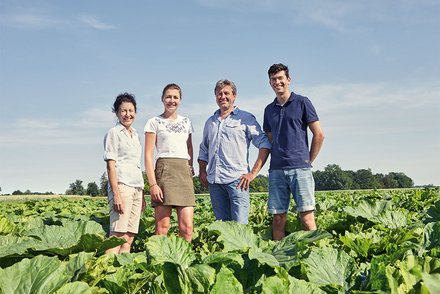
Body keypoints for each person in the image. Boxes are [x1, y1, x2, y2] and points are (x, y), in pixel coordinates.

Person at [263, 63, 325, 240]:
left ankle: (316, 257)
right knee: (278, 219)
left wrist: (308, 160)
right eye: (274, 79)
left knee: (306, 218)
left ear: (288, 80)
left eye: (280, 78)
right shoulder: (269, 110)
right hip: (276, 170)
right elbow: (270, 138)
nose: (277, 82)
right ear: (270, 83)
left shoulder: (302, 102)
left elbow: (319, 135)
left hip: (300, 168)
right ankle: (278, 258)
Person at [198, 79, 271, 224]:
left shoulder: (245, 118)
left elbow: (264, 144)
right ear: (215, 97)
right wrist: (202, 171)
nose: (223, 97)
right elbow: (204, 149)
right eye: (219, 94)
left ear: (234, 95)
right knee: (222, 228)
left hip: (237, 182)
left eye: (226, 93)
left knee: (240, 227)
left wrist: (253, 173)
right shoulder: (210, 122)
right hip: (215, 182)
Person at [144, 83, 195, 242]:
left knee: (187, 228)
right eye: (168, 97)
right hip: (164, 172)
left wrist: (190, 166)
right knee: (162, 228)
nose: (171, 100)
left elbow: (189, 147)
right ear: (162, 99)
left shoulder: (186, 122)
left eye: (175, 97)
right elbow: (148, 155)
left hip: (183, 174)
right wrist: (153, 184)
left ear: (180, 100)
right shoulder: (154, 122)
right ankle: (158, 264)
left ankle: (184, 264)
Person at [103, 93, 145, 254]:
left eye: (131, 110)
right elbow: (111, 165)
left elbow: (136, 165)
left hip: (136, 188)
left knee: (129, 237)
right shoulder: (114, 133)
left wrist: (141, 193)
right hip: (122, 186)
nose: (128, 114)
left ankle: (121, 274)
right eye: (123, 111)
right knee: (118, 234)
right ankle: (106, 272)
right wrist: (116, 194)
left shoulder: (135, 134)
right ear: (117, 113)